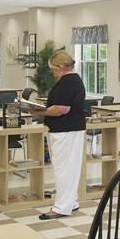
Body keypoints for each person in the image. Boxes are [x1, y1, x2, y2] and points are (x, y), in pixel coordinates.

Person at [38, 50, 85, 220]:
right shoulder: (72, 80)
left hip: (66, 130)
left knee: (63, 169)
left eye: (54, 69)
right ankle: (71, 202)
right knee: (68, 168)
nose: (53, 72)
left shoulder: (68, 82)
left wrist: (41, 111)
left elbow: (62, 108)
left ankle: (60, 208)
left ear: (62, 66)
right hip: (67, 129)